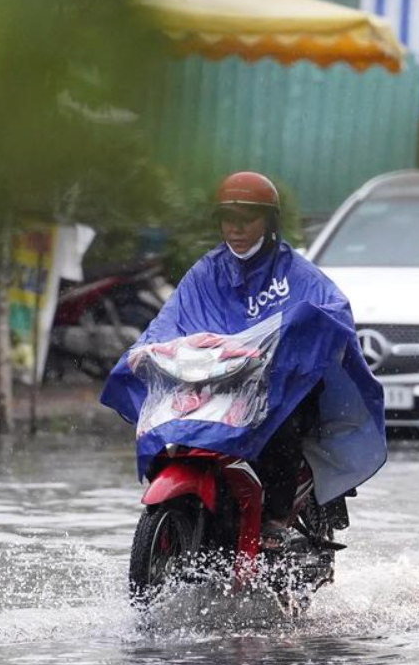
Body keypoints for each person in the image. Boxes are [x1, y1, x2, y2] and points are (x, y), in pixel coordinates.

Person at [101, 171, 385, 535]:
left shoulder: (296, 272)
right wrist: (146, 349)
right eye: (227, 219)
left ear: (268, 221)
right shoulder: (207, 271)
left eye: (246, 219)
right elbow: (171, 318)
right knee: (167, 426)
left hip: (280, 384)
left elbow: (332, 309)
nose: (235, 229)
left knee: (280, 423)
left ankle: (275, 520)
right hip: (218, 383)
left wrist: (293, 334)